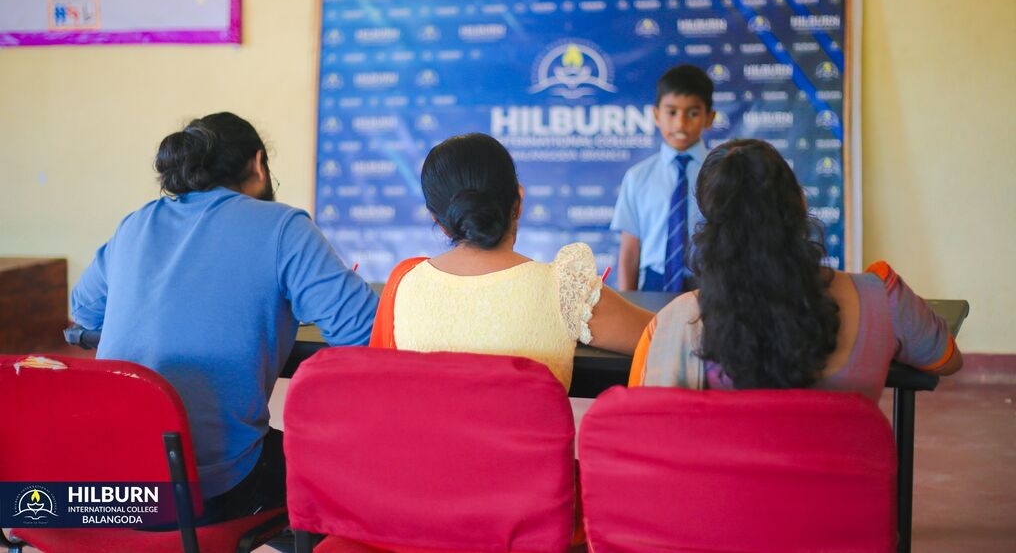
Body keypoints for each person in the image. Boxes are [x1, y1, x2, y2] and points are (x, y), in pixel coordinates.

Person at [71, 112, 378, 523]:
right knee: (347, 474)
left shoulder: (136, 223)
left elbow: (84, 310)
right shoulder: (283, 226)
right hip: (213, 489)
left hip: (104, 482)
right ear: (257, 165)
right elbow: (364, 331)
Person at [629, 139, 962, 399]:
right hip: (841, 488)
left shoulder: (677, 323)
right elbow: (946, 360)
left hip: (731, 488)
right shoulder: (884, 297)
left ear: (710, 223)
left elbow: (648, 431)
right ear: (799, 202)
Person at [371, 133, 653, 390]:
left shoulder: (405, 285)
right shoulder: (565, 290)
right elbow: (666, 334)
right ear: (518, 203)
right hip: (534, 448)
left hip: (427, 448)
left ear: (438, 222)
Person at [611, 64, 715, 292]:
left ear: (710, 118)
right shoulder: (638, 177)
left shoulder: (723, 173)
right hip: (655, 282)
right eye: (671, 112)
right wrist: (628, 300)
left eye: (693, 113)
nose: (680, 123)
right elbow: (630, 249)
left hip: (710, 281)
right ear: (656, 115)